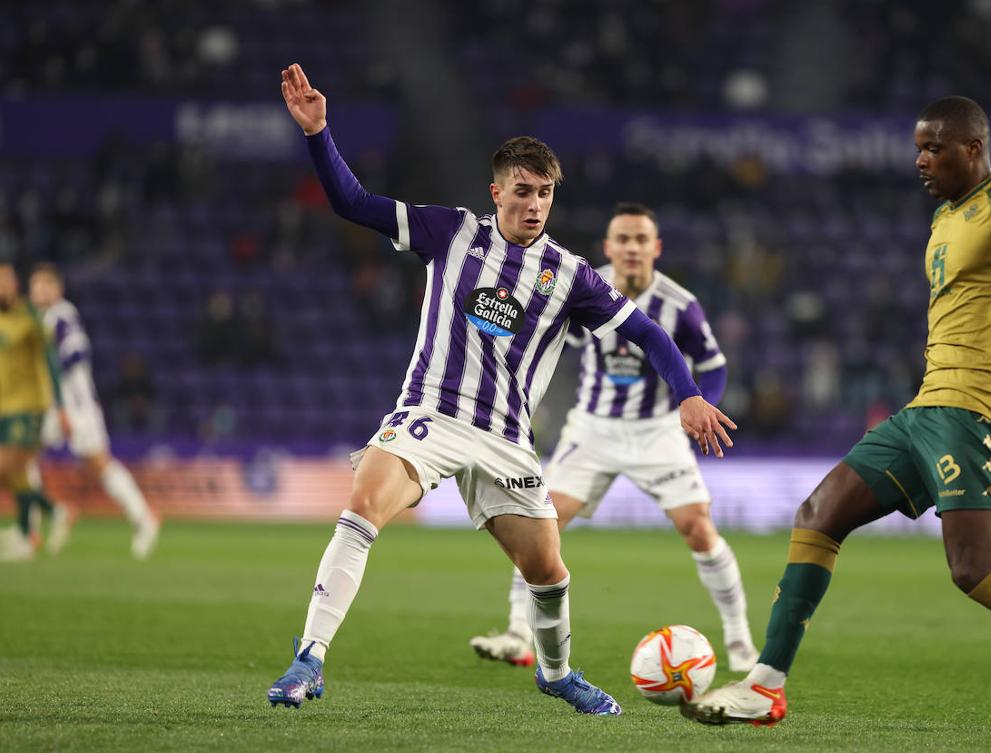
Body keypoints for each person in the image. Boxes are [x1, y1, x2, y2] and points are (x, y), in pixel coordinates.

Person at [267, 64, 736, 714]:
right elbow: (353, 203)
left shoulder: (571, 276)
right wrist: (319, 134)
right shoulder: (450, 232)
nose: (535, 203)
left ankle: (556, 672)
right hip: (431, 415)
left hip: (507, 440)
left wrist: (686, 390)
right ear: (497, 191)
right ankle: (310, 658)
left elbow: (651, 335)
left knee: (548, 572)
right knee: (365, 504)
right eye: (523, 190)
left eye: (545, 192)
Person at [683, 96, 991, 726]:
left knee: (973, 569)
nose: (921, 161)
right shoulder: (944, 219)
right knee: (817, 515)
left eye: (935, 149)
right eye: (918, 149)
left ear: (973, 149)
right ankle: (765, 685)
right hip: (927, 407)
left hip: (979, 412)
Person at [469, 202, 758, 672]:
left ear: (655, 248)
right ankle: (519, 634)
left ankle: (741, 640)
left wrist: (701, 408)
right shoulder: (582, 285)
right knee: (541, 526)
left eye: (641, 239)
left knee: (698, 528)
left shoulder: (679, 304)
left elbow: (714, 365)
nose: (631, 248)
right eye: (622, 239)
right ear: (608, 247)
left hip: (657, 430)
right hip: (593, 428)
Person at [28, 263, 160, 559]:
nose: (39, 291)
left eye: (45, 285)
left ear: (57, 289)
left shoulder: (62, 315)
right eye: (35, 285)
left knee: (99, 464)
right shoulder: (36, 319)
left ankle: (144, 518)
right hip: (50, 404)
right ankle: (34, 528)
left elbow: (77, 353)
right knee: (21, 456)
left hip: (77, 405)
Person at [0, 262, 68, 562]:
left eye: (5, 281)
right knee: (17, 474)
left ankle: (33, 528)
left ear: (15, 284)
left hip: (30, 405)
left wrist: (62, 407)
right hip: (4, 406)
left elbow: (52, 361)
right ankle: (40, 524)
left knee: (6, 467)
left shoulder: (31, 316)